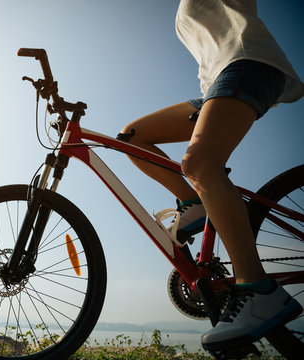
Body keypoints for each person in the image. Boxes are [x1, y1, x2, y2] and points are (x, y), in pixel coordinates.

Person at [120, 0, 304, 352]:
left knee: (200, 164)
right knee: (131, 138)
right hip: (218, 83)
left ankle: (258, 289)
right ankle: (195, 203)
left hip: (249, 62)